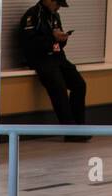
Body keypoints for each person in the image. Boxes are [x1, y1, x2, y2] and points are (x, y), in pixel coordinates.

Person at [18, 0, 90, 142]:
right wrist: (53, 38)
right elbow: (30, 43)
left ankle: (79, 128)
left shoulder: (55, 16)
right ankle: (70, 132)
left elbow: (58, 44)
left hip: (58, 57)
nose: (58, 8)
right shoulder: (32, 15)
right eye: (57, 4)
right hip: (42, 60)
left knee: (79, 85)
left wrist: (62, 39)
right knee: (59, 88)